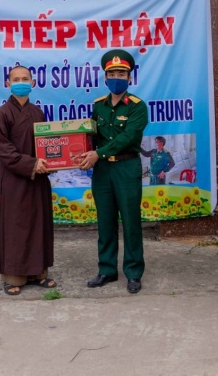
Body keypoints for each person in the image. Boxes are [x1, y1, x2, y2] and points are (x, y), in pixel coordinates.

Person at [78, 49, 148, 294]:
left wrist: (97, 153)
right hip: (103, 170)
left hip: (127, 167)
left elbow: (128, 137)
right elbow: (92, 136)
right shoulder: (99, 106)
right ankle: (106, 269)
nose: (117, 77)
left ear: (130, 77)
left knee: (130, 221)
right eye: (112, 73)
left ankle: (133, 272)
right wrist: (80, 152)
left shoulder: (138, 107)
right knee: (105, 221)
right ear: (105, 76)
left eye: (122, 73)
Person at [0, 65, 56, 296]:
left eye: (25, 78)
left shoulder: (38, 113)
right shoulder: (1, 115)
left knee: (38, 222)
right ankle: (13, 276)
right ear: (7, 84)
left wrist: (52, 162)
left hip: (38, 178)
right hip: (14, 179)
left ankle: (38, 272)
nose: (21, 82)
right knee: (15, 225)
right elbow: (4, 150)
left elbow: (47, 144)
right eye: (16, 79)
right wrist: (31, 164)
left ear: (33, 83)